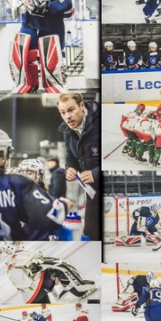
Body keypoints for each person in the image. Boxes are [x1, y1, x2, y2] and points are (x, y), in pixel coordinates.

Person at [0, 128, 69, 241]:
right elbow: (52, 218)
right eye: (6, 153)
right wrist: (64, 205)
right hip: (12, 254)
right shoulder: (16, 184)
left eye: (29, 173)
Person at [7, 0, 72, 93]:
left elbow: (66, 0)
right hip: (30, 23)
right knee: (23, 53)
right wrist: (20, 2)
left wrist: (48, 7)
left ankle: (55, 85)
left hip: (52, 25)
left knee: (53, 55)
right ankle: (25, 84)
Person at [57, 93, 100, 240]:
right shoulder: (67, 131)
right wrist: (69, 168)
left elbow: (114, 157)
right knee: (90, 233)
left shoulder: (100, 122)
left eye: (71, 110)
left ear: (82, 106)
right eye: (62, 112)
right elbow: (71, 157)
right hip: (92, 191)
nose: (67, 116)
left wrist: (95, 173)